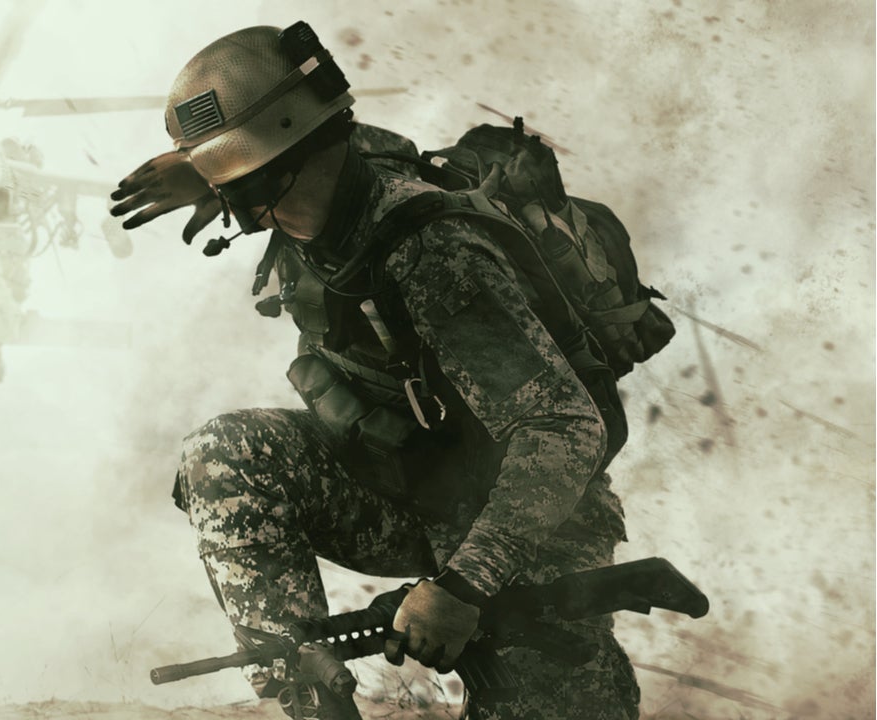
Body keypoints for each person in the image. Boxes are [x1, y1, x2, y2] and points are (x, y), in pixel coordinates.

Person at [111, 22, 639, 720]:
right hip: (407, 488)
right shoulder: (327, 174)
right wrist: (210, 171)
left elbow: (565, 428)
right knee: (224, 453)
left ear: (286, 159)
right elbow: (351, 134)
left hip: (532, 512)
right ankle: (313, 700)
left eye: (239, 184)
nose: (235, 209)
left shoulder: (433, 250)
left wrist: (464, 585)